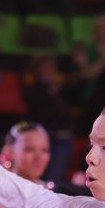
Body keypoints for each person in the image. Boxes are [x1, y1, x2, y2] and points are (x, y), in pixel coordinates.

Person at [23, 56, 76, 184]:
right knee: (38, 178)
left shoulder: (64, 90)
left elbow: (67, 111)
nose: (47, 71)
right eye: (44, 68)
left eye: (50, 68)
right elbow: (41, 113)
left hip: (62, 139)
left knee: (53, 179)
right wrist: (52, 91)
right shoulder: (32, 90)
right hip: (43, 140)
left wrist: (55, 90)